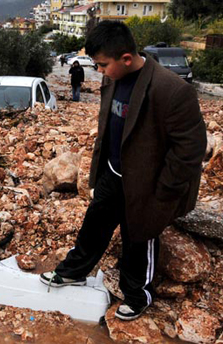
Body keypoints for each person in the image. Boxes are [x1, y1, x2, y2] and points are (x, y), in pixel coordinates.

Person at [40, 21, 206, 321]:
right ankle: (72, 272)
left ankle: (137, 296)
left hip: (148, 186)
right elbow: (108, 131)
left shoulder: (172, 90)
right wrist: (97, 174)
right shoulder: (113, 79)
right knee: (93, 226)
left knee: (138, 240)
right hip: (113, 175)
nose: (99, 71)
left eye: (103, 65)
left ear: (126, 58)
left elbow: (190, 151)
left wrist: (163, 193)